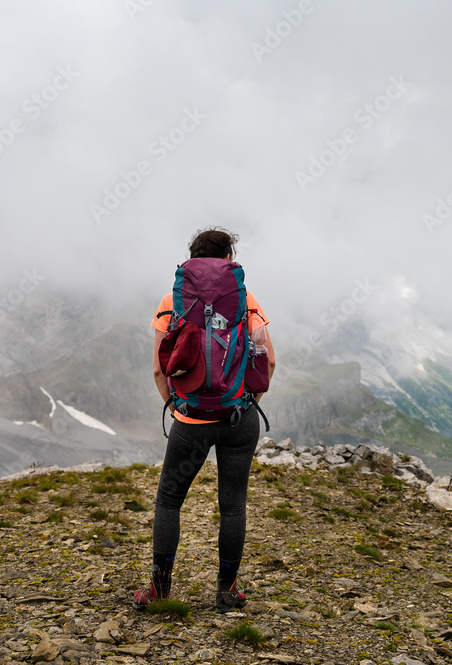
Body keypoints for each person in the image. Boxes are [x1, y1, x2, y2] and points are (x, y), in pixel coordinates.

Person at [135, 227, 275, 612]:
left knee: (169, 501)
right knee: (232, 505)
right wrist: (245, 401)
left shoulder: (172, 300)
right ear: (229, 260)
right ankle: (227, 591)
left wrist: (181, 407)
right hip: (238, 418)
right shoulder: (246, 299)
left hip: (189, 422)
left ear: (192, 259)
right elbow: (269, 360)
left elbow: (159, 371)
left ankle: (160, 591)